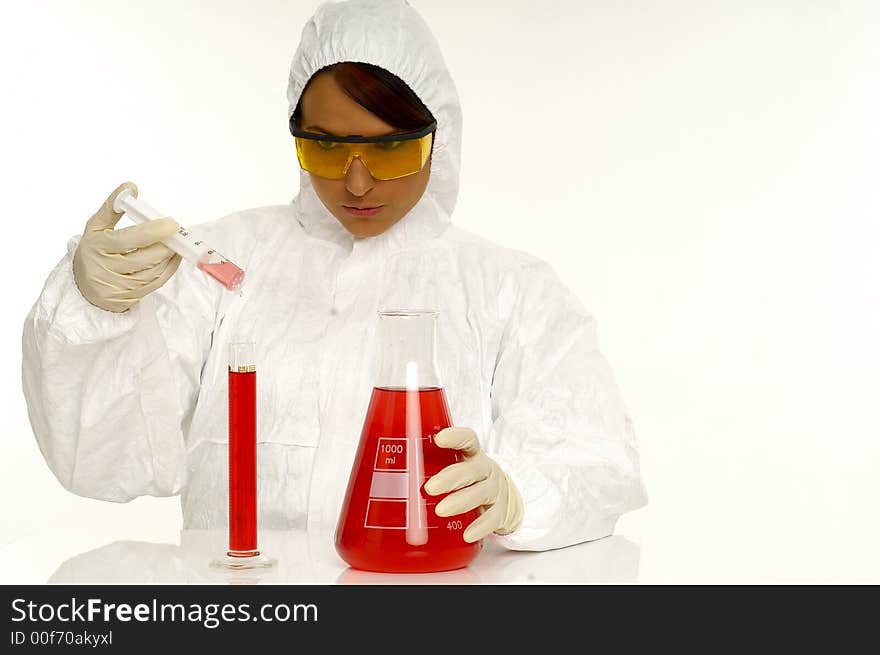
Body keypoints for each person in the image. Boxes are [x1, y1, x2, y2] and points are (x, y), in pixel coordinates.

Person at [21, 0, 647, 551]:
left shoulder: (509, 290)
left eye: (392, 149)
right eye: (324, 146)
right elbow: (106, 462)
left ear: (441, 137)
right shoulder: (221, 261)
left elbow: (595, 463)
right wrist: (94, 311)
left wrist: (520, 498)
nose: (356, 182)